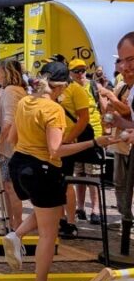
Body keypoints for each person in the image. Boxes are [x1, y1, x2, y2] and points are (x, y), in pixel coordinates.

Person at [2, 62, 116, 281]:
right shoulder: (53, 109)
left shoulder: (25, 102)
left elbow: (12, 139)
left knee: (48, 212)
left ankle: (17, 234)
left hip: (20, 165)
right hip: (43, 169)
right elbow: (56, 150)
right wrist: (94, 143)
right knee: (48, 234)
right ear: (63, 85)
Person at [0, 58, 29, 230]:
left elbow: (8, 123)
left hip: (9, 147)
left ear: (5, 71)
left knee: (10, 187)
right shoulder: (6, 90)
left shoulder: (11, 91)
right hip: (6, 146)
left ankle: (16, 224)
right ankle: (12, 223)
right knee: (7, 186)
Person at [62, 59, 103, 228]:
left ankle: (95, 209)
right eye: (76, 71)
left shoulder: (93, 86)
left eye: (82, 70)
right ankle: (80, 207)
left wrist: (106, 129)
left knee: (92, 174)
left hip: (93, 134)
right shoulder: (69, 88)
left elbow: (103, 107)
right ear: (70, 72)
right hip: (75, 136)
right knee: (78, 174)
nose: (80, 74)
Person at [101, 32, 134, 232]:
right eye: (122, 60)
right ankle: (126, 218)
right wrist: (119, 122)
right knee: (121, 184)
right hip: (124, 147)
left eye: (131, 59)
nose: (125, 66)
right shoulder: (129, 88)